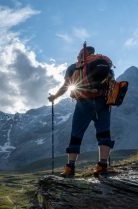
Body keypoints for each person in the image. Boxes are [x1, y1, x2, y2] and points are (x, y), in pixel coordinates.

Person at [48, 44, 115, 178]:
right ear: (93, 54)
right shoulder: (106, 65)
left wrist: (54, 97)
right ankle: (102, 166)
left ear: (80, 55)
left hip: (83, 104)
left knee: (76, 135)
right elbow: (112, 84)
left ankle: (70, 168)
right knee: (104, 134)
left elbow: (66, 87)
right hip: (102, 103)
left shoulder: (74, 67)